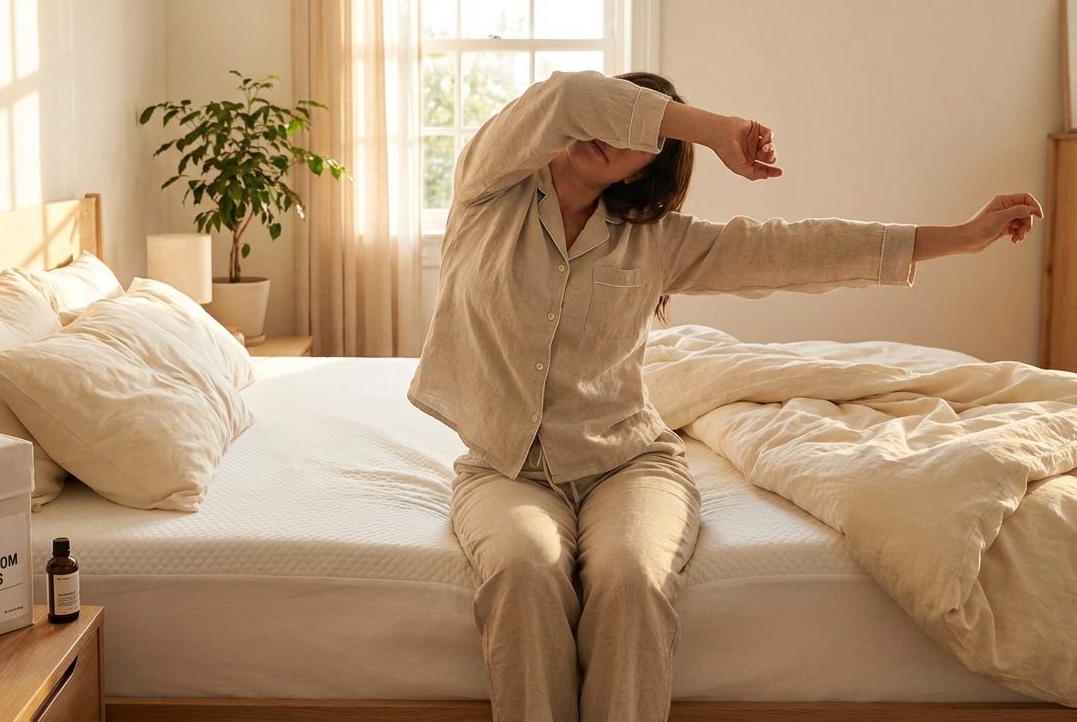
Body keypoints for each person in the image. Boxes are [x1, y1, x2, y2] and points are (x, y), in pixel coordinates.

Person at [406, 70, 1042, 722]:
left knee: (632, 583)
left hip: (627, 466)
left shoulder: (656, 242)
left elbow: (796, 251)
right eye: (619, 114)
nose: (610, 132)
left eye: (639, 134)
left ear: (645, 168)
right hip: (506, 468)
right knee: (523, 574)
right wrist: (715, 130)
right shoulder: (490, 187)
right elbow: (567, 97)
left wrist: (960, 237)